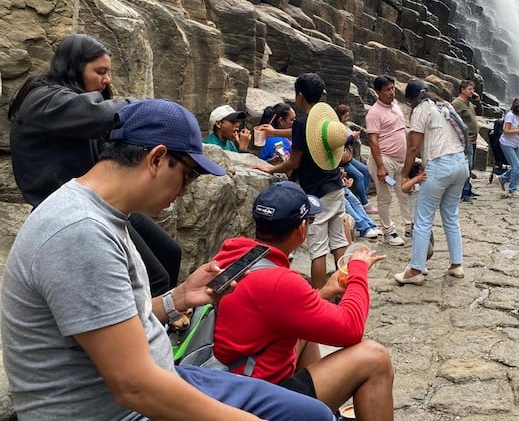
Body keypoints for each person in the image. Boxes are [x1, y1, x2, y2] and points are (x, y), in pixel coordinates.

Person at [1, 98, 334, 421]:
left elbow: (112, 321)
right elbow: (134, 388)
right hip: (123, 411)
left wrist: (176, 299)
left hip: (160, 379)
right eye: (187, 174)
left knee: (311, 412)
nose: (185, 190)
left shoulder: (99, 214)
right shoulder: (81, 232)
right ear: (157, 158)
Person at [7, 33, 180, 296]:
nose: (106, 79)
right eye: (100, 71)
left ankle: (162, 322)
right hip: (69, 208)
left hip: (99, 198)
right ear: (74, 67)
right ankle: (149, 331)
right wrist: (155, 109)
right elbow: (101, 112)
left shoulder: (72, 100)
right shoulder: (45, 100)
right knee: (154, 278)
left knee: (170, 252)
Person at [212, 181, 393, 420]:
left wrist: (325, 292)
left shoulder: (237, 254)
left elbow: (274, 310)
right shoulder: (279, 281)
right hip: (252, 399)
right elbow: (351, 329)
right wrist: (358, 269)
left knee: (306, 329)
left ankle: (324, 414)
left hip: (230, 381)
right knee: (375, 358)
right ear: (301, 229)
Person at [252, 74, 351, 288]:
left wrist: (271, 168)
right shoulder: (326, 121)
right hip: (335, 186)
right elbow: (304, 132)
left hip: (316, 193)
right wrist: (274, 133)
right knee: (339, 242)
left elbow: (294, 162)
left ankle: (320, 297)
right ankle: (346, 289)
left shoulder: (301, 122)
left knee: (318, 249)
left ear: (300, 96)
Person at [395, 80, 468, 285]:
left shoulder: (420, 110)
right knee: (451, 216)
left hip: (439, 165)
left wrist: (405, 174)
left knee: (423, 219)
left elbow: (413, 147)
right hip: (460, 163)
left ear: (411, 99)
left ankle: (415, 269)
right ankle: (456, 264)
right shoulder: (446, 105)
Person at [365, 75, 409, 246]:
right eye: (387, 90)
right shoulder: (374, 113)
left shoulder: (396, 106)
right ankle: (388, 232)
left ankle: (409, 224)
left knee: (404, 192)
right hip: (385, 161)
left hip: (400, 162)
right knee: (385, 197)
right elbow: (373, 141)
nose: (391, 92)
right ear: (377, 92)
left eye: (392, 88)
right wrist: (380, 166)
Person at [336, 104, 377, 214]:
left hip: (348, 158)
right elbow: (339, 142)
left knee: (366, 170)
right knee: (359, 176)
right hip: (342, 160)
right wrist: (351, 138)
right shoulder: (336, 127)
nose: (347, 118)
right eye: (345, 116)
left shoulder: (345, 125)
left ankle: (363, 198)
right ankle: (364, 204)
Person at [451, 80, 482, 201]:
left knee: (471, 165)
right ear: (462, 90)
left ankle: (468, 189)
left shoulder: (468, 103)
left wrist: (478, 101)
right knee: (466, 166)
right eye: (470, 89)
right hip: (465, 140)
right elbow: (451, 119)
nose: (472, 92)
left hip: (473, 140)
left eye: (472, 89)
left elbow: (479, 113)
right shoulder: (457, 103)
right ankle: (464, 193)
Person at [496, 97, 519, 197]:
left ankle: (502, 178)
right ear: (517, 106)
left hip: (515, 144)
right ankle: (512, 190)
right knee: (516, 166)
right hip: (507, 144)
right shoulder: (510, 116)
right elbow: (506, 131)